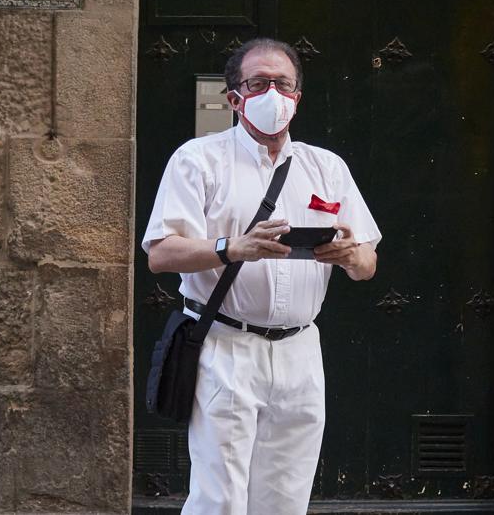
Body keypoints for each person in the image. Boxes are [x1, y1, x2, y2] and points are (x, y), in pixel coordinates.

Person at [142, 37, 381, 514]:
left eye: (283, 83)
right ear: (235, 98)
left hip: (299, 349)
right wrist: (233, 248)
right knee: (220, 498)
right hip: (226, 346)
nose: (273, 92)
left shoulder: (325, 166)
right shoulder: (198, 159)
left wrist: (350, 256)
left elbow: (368, 262)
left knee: (286, 498)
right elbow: (161, 254)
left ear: (297, 97)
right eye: (258, 83)